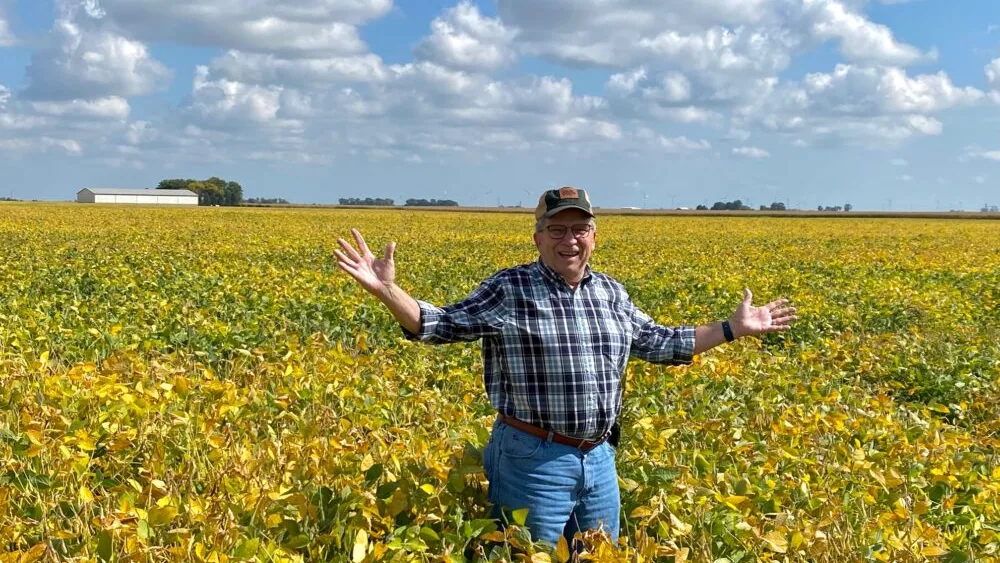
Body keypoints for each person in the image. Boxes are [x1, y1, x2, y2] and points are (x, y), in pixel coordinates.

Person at [334, 187, 797, 549]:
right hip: (532, 458)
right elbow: (441, 325)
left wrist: (733, 328)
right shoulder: (510, 288)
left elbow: (659, 343)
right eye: (556, 230)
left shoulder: (611, 292)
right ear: (537, 237)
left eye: (579, 229)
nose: (568, 240)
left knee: (599, 554)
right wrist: (386, 292)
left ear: (594, 235)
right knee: (528, 554)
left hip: (599, 458)